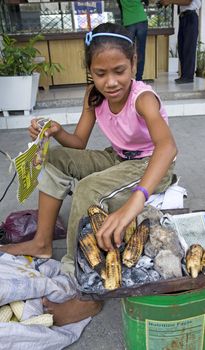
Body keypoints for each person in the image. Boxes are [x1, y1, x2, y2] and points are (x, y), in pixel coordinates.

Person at [0, 22, 177, 325]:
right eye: (100, 74)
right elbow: (78, 143)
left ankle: (80, 285)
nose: (110, 82)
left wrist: (137, 200)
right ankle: (42, 242)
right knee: (55, 159)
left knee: (87, 189)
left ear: (134, 63)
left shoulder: (143, 98)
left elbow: (167, 147)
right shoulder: (93, 97)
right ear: (90, 72)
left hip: (151, 165)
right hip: (117, 158)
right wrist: (56, 132)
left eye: (119, 71)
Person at [160, 0, 202, 84]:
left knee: (188, 47)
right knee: (182, 47)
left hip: (190, 16)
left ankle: (188, 76)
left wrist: (170, 1)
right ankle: (184, 75)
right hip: (183, 17)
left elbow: (187, 1)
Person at [118, 0, 148, 81]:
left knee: (127, 52)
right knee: (141, 51)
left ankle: (129, 77)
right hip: (141, 19)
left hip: (129, 22)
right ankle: (139, 78)